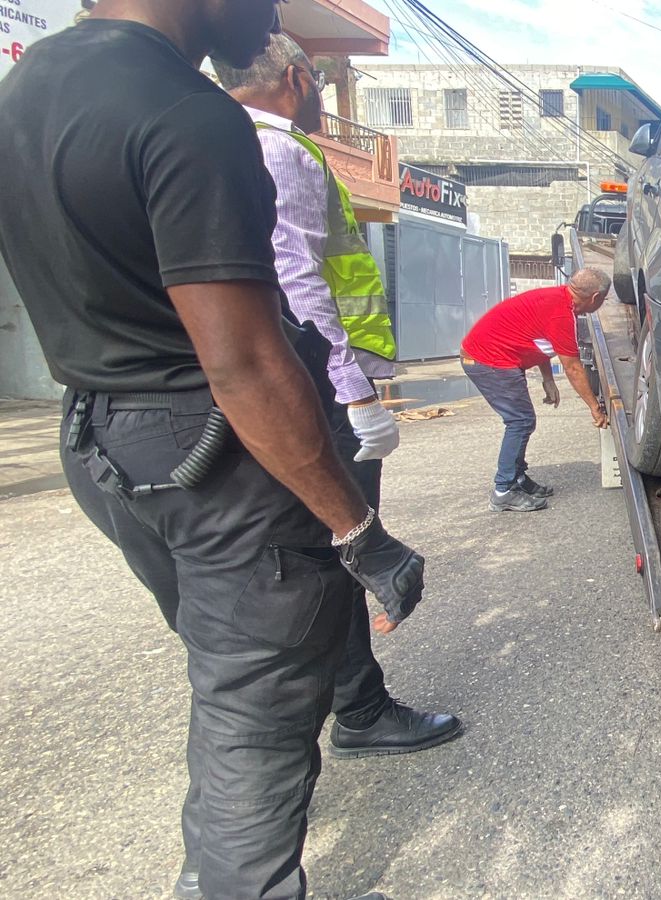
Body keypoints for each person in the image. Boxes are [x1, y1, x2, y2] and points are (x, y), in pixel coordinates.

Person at [0, 2, 426, 898]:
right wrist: (356, 525)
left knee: (227, 663)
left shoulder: (28, 86)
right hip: (216, 450)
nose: (268, 11)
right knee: (252, 708)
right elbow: (242, 360)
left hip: (102, 439)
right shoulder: (189, 117)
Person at [215, 36, 461, 774]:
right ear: (297, 78)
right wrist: (353, 394)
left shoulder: (215, 138)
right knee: (343, 546)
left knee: (304, 554)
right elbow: (299, 280)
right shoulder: (281, 148)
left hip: (262, 382)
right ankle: (356, 710)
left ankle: (333, 707)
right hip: (312, 384)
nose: (324, 96)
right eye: (321, 82)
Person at [460, 269, 611, 511]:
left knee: (522, 420)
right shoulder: (562, 314)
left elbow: (539, 338)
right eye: (603, 300)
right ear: (595, 298)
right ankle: (503, 490)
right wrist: (595, 408)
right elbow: (573, 368)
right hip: (488, 359)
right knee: (519, 421)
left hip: (490, 356)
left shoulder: (557, 298)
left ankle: (517, 479)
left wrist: (548, 379)